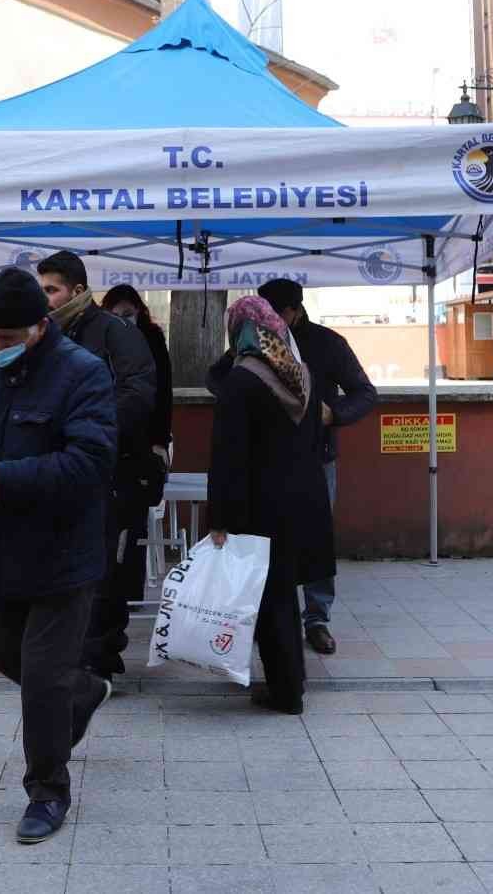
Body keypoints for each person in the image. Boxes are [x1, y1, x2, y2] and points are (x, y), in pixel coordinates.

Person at [0, 268, 116, 844]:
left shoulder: (84, 373)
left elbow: (91, 462)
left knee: (41, 680)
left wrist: (9, 480)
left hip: (63, 553)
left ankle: (47, 791)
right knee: (4, 655)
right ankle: (85, 691)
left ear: (40, 327)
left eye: (7, 337)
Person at [207, 296, 334, 716]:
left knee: (271, 603)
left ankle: (286, 692)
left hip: (260, 507)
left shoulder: (241, 380)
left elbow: (227, 457)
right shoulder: (302, 376)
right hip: (306, 500)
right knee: (284, 596)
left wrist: (220, 519)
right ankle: (290, 684)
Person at [35, 252, 155, 680]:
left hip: (109, 471)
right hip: (59, 472)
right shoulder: (44, 336)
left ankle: (99, 657)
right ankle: (75, 651)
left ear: (78, 291)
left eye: (52, 290)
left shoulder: (114, 333)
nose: (44, 298)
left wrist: (87, 431)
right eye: (41, 290)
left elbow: (139, 393)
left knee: (103, 568)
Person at [255, 279, 375, 657]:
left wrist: (333, 413)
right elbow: (218, 377)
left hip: (316, 457)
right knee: (271, 537)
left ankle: (317, 619)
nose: (270, 321)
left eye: (277, 314)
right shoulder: (255, 341)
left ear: (295, 310)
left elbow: (365, 393)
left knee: (317, 537)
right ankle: (275, 615)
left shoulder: (326, 343)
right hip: (270, 459)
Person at [102, 285, 174, 464]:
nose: (122, 321)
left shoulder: (153, 338)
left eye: (127, 314)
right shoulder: (101, 339)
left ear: (139, 311)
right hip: (110, 430)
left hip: (145, 431)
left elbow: (163, 390)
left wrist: (160, 440)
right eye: (115, 316)